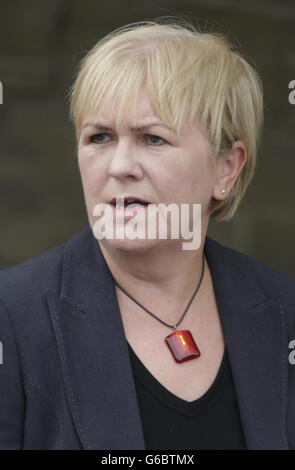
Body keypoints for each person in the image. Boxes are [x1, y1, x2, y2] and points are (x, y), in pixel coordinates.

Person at [0, 18, 294, 450]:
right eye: (99, 137)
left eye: (153, 139)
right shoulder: (12, 316)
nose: (120, 166)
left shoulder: (284, 311)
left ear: (226, 168)